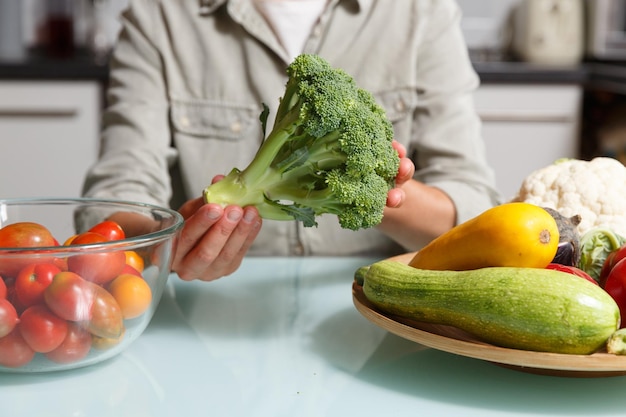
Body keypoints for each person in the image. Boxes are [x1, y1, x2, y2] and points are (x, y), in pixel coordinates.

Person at [81, 0, 502, 281]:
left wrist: (370, 189)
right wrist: (164, 242)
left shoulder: (420, 12)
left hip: (375, 309)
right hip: (204, 313)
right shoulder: (159, 18)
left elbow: (475, 210)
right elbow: (111, 204)